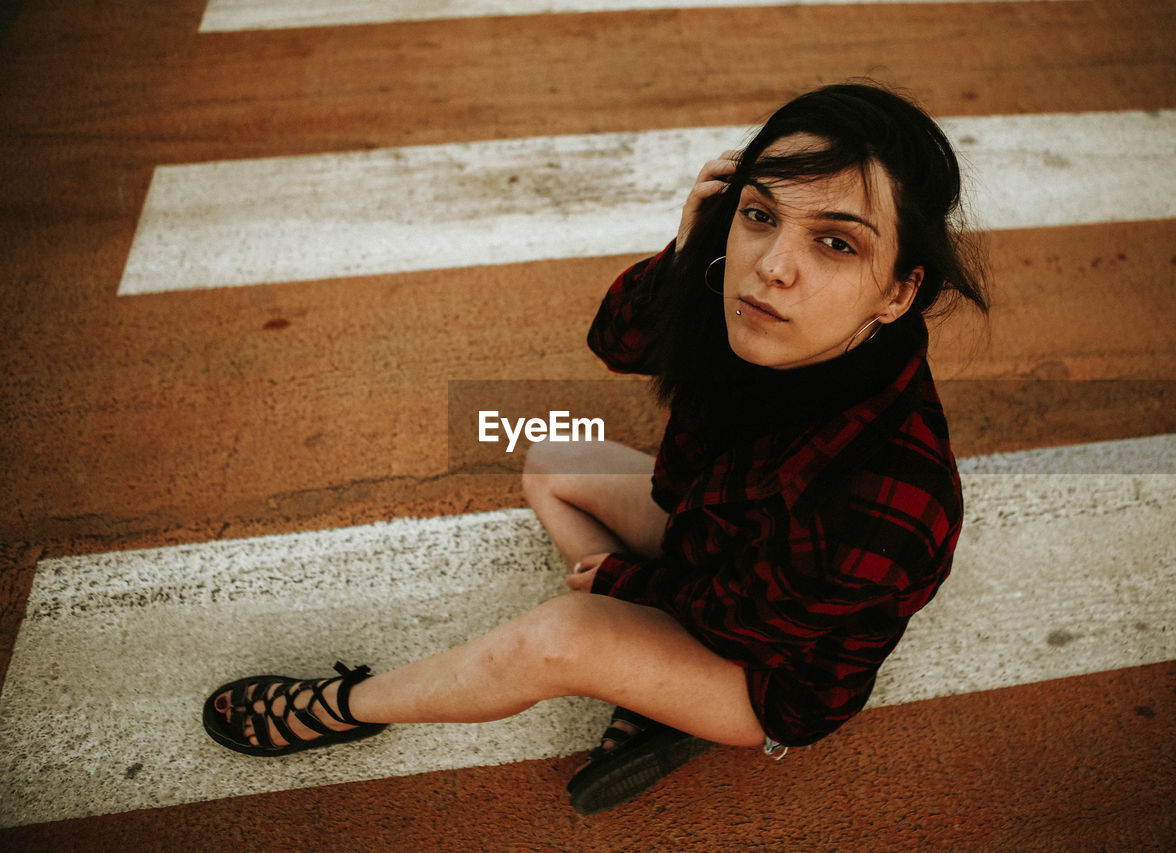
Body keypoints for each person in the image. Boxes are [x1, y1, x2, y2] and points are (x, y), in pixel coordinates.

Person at [203, 81, 989, 816]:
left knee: (556, 639)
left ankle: (344, 706)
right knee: (551, 453)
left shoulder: (887, 502)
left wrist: (621, 581)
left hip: (765, 677)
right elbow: (616, 340)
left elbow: (738, 624)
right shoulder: (748, 300)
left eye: (836, 244)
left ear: (899, 289)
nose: (773, 267)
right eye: (759, 215)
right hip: (708, 536)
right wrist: (687, 254)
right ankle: (651, 692)